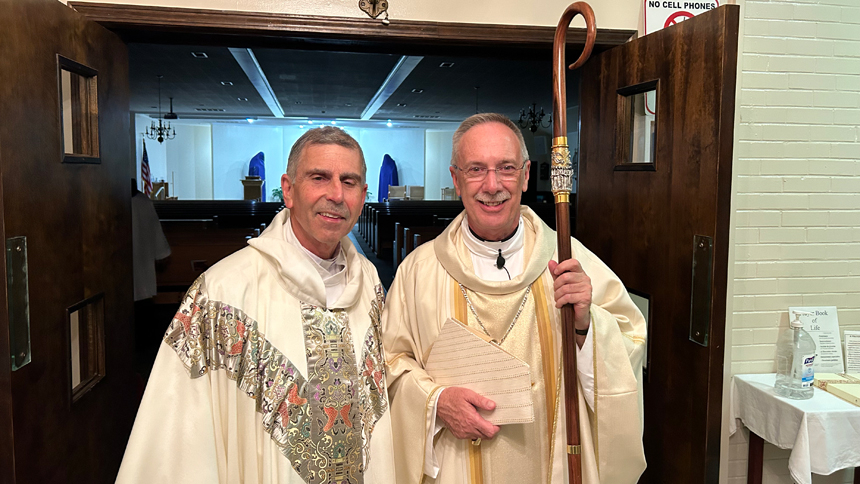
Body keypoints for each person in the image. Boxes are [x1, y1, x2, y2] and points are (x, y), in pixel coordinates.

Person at [117, 127, 396, 483]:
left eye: (350, 181)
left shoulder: (370, 281)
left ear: (363, 195)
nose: (336, 194)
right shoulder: (222, 292)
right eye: (319, 178)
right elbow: (179, 438)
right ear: (289, 190)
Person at [383, 113, 647, 484]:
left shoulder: (571, 259)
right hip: (456, 464)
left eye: (505, 168)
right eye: (476, 169)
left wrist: (587, 326)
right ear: (456, 179)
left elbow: (631, 340)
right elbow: (391, 364)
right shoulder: (418, 272)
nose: (492, 185)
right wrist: (436, 401)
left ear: (525, 176)